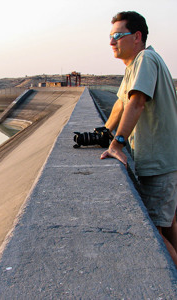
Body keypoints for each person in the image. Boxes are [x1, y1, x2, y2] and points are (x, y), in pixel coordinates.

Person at [101, 11, 177, 266]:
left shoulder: (146, 59)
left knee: (155, 236)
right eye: (110, 37)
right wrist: (103, 132)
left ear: (137, 36)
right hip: (164, 162)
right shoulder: (134, 66)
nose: (112, 42)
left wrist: (117, 143)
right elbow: (120, 107)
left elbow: (137, 102)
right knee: (167, 226)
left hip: (159, 165)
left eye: (118, 36)